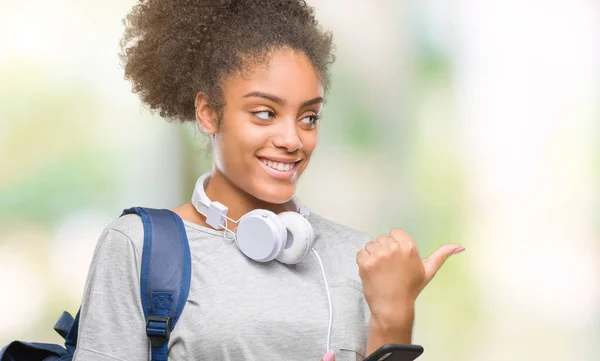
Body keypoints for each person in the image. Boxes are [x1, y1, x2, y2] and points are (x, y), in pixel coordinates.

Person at [72, 1, 465, 360]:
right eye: (264, 113)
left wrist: (393, 314)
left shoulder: (361, 259)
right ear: (209, 113)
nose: (292, 140)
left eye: (308, 117)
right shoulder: (141, 247)